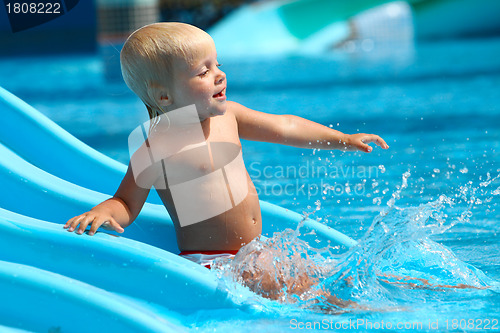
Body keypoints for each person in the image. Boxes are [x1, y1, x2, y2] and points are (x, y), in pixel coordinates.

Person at [64, 22, 389, 303]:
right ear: (164, 97)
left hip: (258, 253)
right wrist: (104, 212)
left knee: (339, 275)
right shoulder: (157, 147)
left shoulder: (229, 115)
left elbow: (285, 126)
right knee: (321, 297)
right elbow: (126, 201)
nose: (219, 75)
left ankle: (405, 289)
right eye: (203, 72)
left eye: (216, 64)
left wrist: (343, 140)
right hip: (216, 264)